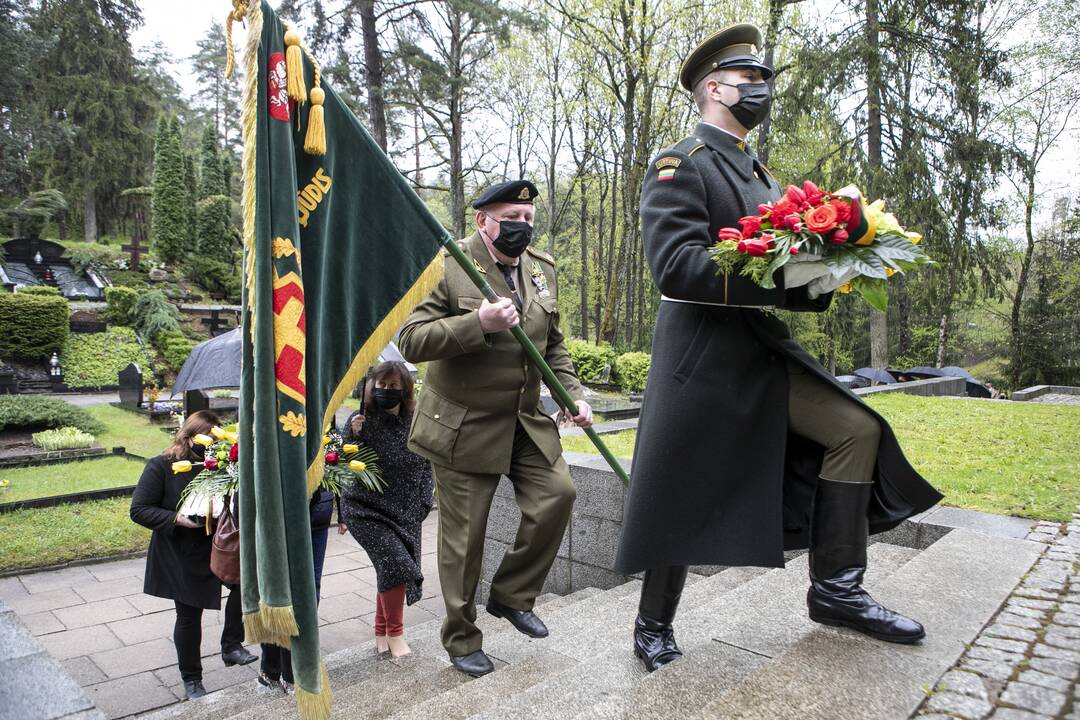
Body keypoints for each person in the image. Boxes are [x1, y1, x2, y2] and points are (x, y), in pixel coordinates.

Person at [614, 24, 944, 673]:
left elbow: (785, 273)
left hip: (759, 346)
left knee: (855, 428)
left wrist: (828, 272)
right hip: (701, 355)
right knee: (682, 486)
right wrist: (778, 270)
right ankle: (652, 625)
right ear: (715, 87)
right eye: (751, 79)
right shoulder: (680, 163)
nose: (762, 89)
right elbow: (675, 267)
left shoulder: (760, 174)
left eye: (765, 80)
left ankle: (836, 589)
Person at [398, 179, 593, 677]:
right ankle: (462, 639)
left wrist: (574, 394)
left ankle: (511, 595)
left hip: (524, 421)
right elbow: (411, 340)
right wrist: (476, 324)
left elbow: (554, 346)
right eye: (511, 217)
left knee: (558, 494)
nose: (521, 227)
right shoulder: (447, 264)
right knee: (464, 541)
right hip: (463, 425)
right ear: (483, 220)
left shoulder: (542, 270)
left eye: (528, 219)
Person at [130, 410, 257, 700]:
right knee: (188, 616)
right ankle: (192, 679)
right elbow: (139, 509)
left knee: (244, 587)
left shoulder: (222, 464)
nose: (211, 445)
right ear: (188, 437)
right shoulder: (161, 466)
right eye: (206, 438)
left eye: (216, 439)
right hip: (181, 550)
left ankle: (231, 645)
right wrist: (179, 519)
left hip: (219, 546)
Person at [338, 361, 434, 658]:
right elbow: (344, 462)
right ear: (371, 386)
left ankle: (380, 631)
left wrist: (423, 501)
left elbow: (426, 462)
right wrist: (352, 436)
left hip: (405, 510)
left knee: (390, 567)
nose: (387, 391)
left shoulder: (414, 420)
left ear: (404, 389)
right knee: (397, 564)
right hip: (366, 509)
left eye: (394, 386)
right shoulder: (361, 420)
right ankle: (396, 635)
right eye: (382, 385)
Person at [256, 484, 334, 694]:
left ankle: (294, 666)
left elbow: (340, 457)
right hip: (278, 515)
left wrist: (341, 512)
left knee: (310, 591)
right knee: (277, 591)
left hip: (318, 515)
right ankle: (273, 669)